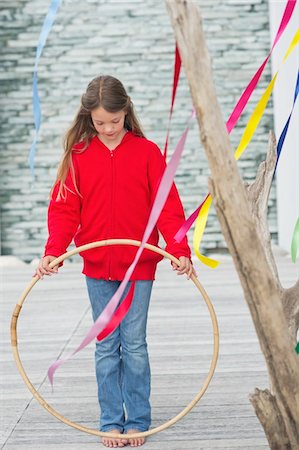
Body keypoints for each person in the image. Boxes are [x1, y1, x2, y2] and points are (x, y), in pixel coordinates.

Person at [35, 75, 193, 448]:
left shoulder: (147, 152)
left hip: (138, 267)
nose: (107, 129)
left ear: (127, 112)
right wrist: (53, 249)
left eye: (114, 121)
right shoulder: (77, 157)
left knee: (134, 344)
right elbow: (63, 210)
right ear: (88, 117)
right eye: (99, 122)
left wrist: (179, 249)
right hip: (97, 268)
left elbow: (168, 207)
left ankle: (137, 420)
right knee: (106, 344)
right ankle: (111, 422)